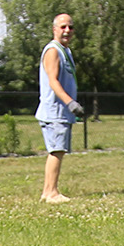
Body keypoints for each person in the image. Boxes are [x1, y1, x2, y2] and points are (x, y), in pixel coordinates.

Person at [36, 13, 84, 202]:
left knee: (58, 150)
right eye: (63, 27)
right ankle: (51, 193)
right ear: (54, 29)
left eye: (70, 27)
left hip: (62, 112)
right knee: (56, 150)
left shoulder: (65, 51)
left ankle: (48, 191)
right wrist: (70, 103)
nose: (67, 31)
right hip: (55, 111)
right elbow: (53, 82)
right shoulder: (53, 51)